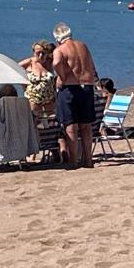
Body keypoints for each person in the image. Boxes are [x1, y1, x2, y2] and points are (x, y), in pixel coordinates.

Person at [52, 22, 98, 168]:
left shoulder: (60, 49)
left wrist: (62, 76)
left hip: (70, 88)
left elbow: (56, 63)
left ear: (57, 38)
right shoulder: (83, 46)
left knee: (71, 126)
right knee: (86, 126)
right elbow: (92, 65)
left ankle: (73, 161)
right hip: (87, 86)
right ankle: (88, 160)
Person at [18, 40, 57, 116]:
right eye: (38, 53)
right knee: (33, 122)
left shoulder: (49, 63)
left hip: (49, 100)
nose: (41, 55)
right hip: (33, 99)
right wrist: (24, 85)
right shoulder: (30, 63)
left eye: (43, 53)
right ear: (34, 53)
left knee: (50, 123)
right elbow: (15, 69)